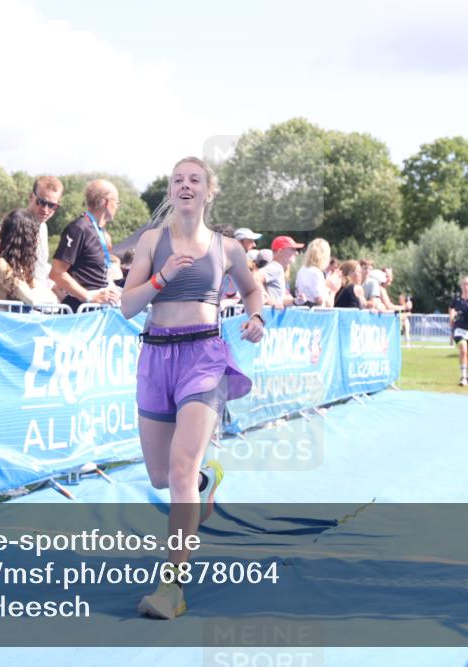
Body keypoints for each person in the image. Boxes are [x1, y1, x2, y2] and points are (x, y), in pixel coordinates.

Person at [119, 157, 264, 620]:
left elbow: (253, 290)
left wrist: (256, 316)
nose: (186, 185)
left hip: (203, 357)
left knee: (180, 471)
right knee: (163, 478)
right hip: (156, 354)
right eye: (178, 179)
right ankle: (207, 482)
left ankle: (171, 587)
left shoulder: (227, 249)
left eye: (194, 179)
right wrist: (162, 277)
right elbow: (126, 306)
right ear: (171, 190)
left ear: (208, 192)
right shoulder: (151, 241)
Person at [49, 179, 123, 312]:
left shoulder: (101, 233)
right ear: (108, 202)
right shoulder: (78, 228)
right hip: (79, 312)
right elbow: (56, 273)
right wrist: (88, 296)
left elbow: (96, 275)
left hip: (96, 311)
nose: (117, 206)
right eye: (117, 202)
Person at [0, 175, 62, 288]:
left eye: (52, 205)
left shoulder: (43, 226)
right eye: (41, 202)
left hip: (36, 301)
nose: (46, 209)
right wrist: (13, 284)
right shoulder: (16, 222)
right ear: (31, 197)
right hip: (17, 302)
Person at [0, 210, 58, 305]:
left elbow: (53, 299)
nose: (36, 241)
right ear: (24, 239)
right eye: (33, 236)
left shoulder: (21, 267)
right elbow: (31, 299)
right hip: (6, 318)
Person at [261, 236, 303, 307]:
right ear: (280, 251)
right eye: (292, 249)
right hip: (267, 316)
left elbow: (281, 299)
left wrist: (296, 301)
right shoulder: (275, 267)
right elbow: (254, 278)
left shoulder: (278, 268)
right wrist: (269, 300)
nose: (296, 253)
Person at [294, 238, 331, 306]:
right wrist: (328, 289)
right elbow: (319, 299)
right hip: (315, 313)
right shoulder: (316, 273)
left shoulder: (302, 270)